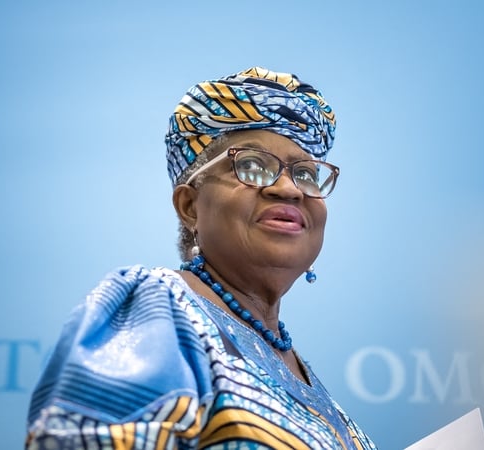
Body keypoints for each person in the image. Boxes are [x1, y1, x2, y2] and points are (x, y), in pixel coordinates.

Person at [25, 67, 378, 449]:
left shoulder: (318, 391)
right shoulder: (160, 308)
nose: (289, 189)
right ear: (190, 206)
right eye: (252, 166)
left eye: (306, 174)